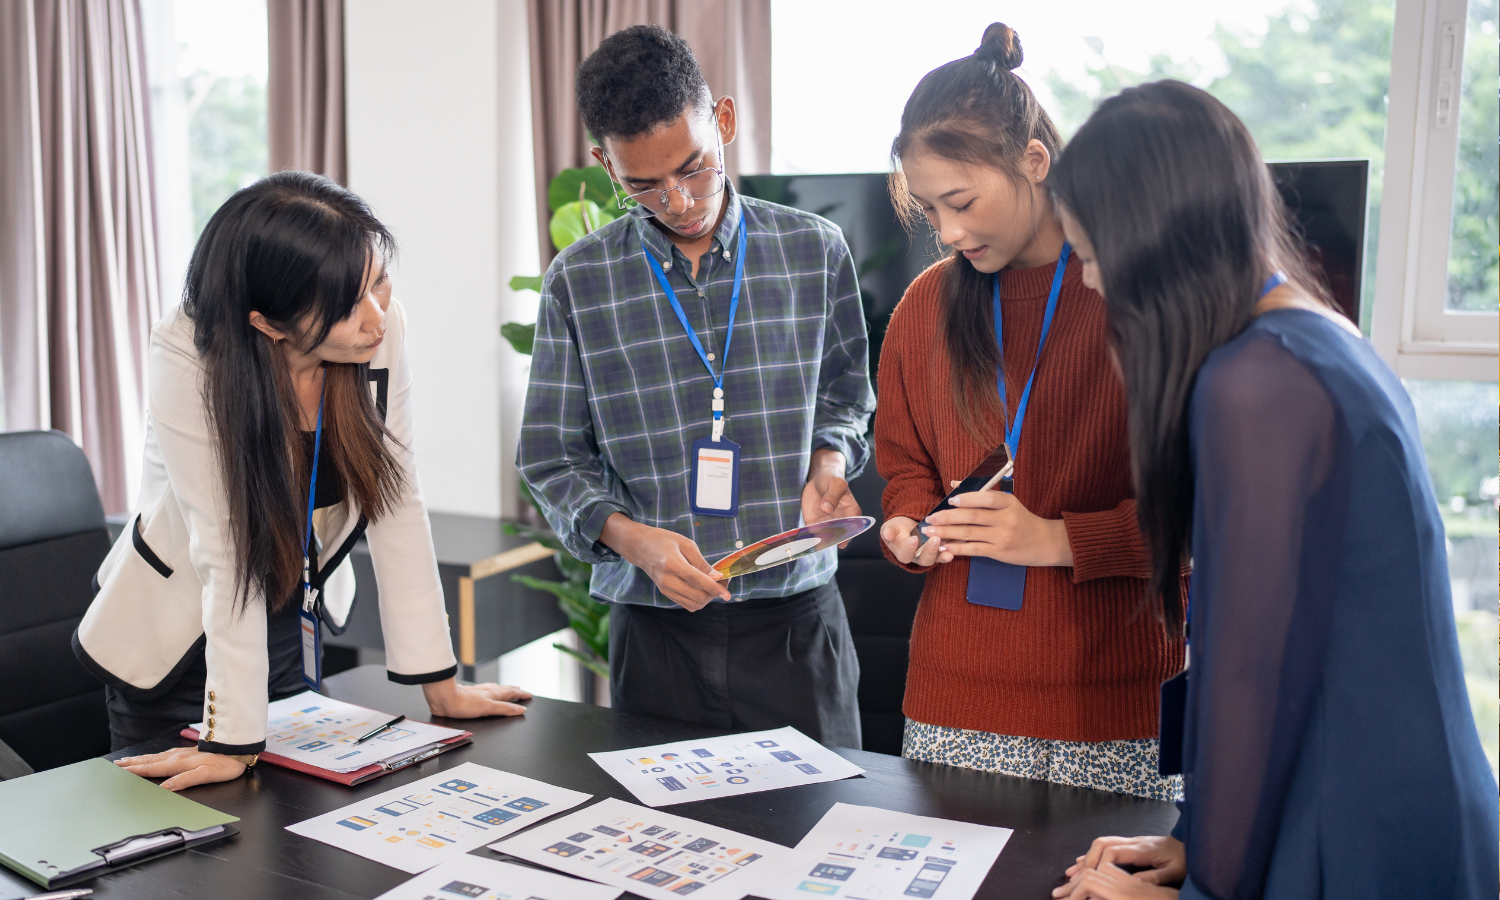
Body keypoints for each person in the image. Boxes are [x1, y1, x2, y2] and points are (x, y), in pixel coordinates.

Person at [1048, 81, 1499, 900]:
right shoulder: (1305, 335)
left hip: (1361, 828)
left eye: (1090, 253)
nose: (1087, 282)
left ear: (1153, 242)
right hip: (1367, 798)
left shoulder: (1257, 383)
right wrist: (1194, 844)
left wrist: (1205, 888)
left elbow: (1251, 677)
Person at [75, 172, 532, 790]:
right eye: (349, 304)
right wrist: (229, 738)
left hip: (290, 615)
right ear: (268, 323)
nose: (377, 316)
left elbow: (397, 498)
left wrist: (439, 683)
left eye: (378, 282)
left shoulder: (380, 328)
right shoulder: (188, 352)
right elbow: (224, 545)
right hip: (178, 639)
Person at [517, 25, 874, 747]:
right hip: (657, 636)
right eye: (641, 183)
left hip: (797, 625)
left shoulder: (816, 252)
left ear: (726, 123)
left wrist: (830, 463)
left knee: (825, 840)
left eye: (695, 167)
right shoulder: (577, 282)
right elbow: (551, 458)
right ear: (603, 165)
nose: (678, 201)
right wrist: (631, 539)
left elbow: (845, 399)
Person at [875, 23, 1184, 800]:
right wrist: (905, 524)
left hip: (1116, 706)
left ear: (1035, 164)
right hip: (953, 698)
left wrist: (1057, 540)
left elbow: (1202, 518)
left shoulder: (1134, 295)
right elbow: (905, 460)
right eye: (929, 210)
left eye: (961, 201)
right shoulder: (923, 306)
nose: (946, 232)